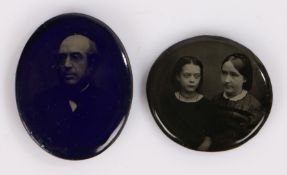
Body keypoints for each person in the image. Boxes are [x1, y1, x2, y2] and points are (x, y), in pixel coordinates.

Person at [30, 34, 121, 159]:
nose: (67, 65)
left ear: (92, 64)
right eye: (62, 58)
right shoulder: (41, 103)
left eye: (75, 57)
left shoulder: (109, 104)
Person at [161, 56, 215, 151]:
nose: (192, 80)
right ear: (178, 77)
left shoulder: (207, 105)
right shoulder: (167, 102)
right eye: (187, 75)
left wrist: (207, 142)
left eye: (196, 76)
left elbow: (210, 135)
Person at [211, 53, 263, 151]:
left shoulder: (253, 106)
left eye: (234, 75)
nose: (227, 80)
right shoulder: (215, 100)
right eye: (224, 73)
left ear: (245, 78)